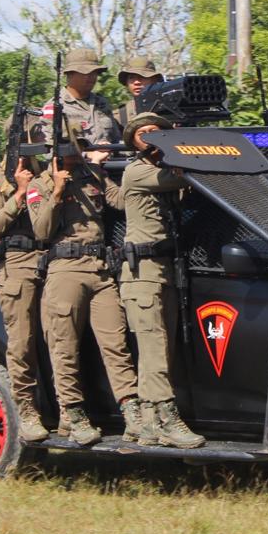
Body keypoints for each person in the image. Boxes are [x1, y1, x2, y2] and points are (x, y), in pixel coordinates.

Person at [27, 135, 142, 447]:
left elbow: (122, 201)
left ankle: (132, 410)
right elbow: (40, 230)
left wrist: (144, 167)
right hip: (65, 268)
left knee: (116, 343)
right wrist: (57, 192)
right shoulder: (41, 184)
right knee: (64, 347)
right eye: (67, 145)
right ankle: (73, 415)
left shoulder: (94, 176)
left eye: (77, 144)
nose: (73, 150)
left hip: (100, 268)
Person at [118, 112, 204, 449]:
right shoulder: (139, 172)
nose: (152, 137)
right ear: (134, 142)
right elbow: (188, 179)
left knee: (159, 353)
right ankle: (168, 420)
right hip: (143, 274)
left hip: (164, 269)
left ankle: (149, 424)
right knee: (153, 351)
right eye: (144, 133)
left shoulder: (165, 171)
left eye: (158, 132)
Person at [0, 118, 48, 442]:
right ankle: (27, 412)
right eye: (34, 135)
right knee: (22, 344)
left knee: (61, 343)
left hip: (52, 259)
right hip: (18, 264)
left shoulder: (47, 171)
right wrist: (20, 192)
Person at [39, 47, 122, 145]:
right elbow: (49, 150)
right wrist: (87, 154)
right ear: (70, 74)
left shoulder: (102, 103)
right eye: (85, 72)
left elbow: (116, 140)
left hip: (108, 159)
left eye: (95, 72)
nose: (91, 76)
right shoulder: (54, 107)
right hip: (75, 160)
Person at [117, 58, 164, 129]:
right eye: (131, 78)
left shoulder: (169, 108)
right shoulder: (120, 116)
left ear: (155, 80)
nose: (136, 82)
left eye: (142, 77)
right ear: (126, 83)